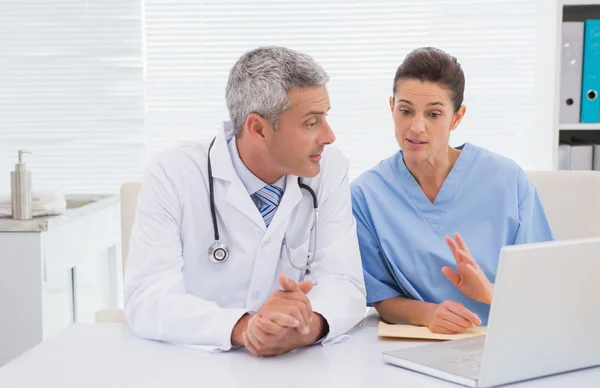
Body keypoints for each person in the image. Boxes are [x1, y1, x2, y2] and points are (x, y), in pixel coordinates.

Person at [124, 46, 366, 356]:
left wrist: (306, 326)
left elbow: (345, 283)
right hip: (194, 367)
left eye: (325, 118)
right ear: (259, 129)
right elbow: (148, 297)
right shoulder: (174, 173)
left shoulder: (329, 168)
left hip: (296, 370)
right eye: (311, 123)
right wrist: (244, 328)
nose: (329, 136)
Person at [351, 47, 554, 334]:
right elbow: (380, 295)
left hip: (504, 336)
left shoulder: (507, 181)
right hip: (417, 343)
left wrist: (489, 293)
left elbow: (544, 284)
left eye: (434, 114)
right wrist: (428, 314)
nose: (416, 127)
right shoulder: (366, 194)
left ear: (457, 118)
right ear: (391, 107)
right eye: (406, 111)